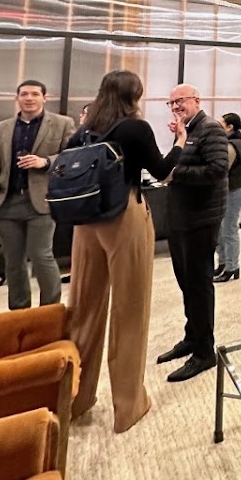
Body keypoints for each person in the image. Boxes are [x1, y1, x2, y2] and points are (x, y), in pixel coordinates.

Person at [66, 70, 186, 433]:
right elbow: (163, 171)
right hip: (123, 217)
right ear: (134, 96)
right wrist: (180, 140)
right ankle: (128, 405)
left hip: (85, 222)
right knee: (130, 310)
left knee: (83, 309)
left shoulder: (83, 130)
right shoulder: (135, 129)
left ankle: (76, 398)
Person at [156, 84, 229, 382]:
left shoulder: (210, 129)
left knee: (199, 284)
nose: (175, 106)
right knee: (185, 280)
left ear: (197, 101)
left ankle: (204, 352)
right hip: (181, 217)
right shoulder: (184, 130)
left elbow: (217, 170)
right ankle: (192, 335)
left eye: (180, 101)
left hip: (202, 218)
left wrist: (176, 174)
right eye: (171, 102)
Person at [0, 80, 76, 310]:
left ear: (45, 97)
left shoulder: (62, 124)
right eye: (24, 94)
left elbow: (72, 158)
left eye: (35, 94)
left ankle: (50, 311)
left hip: (42, 202)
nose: (29, 98)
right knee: (13, 263)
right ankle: (19, 314)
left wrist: (45, 162)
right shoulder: (1, 128)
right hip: (6, 203)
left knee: (41, 256)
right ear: (17, 98)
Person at [214, 112, 241, 283]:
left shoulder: (231, 146)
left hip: (235, 192)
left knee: (229, 230)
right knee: (221, 229)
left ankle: (232, 267)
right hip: (232, 191)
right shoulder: (235, 142)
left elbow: (221, 171)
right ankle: (223, 263)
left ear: (230, 128)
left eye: (221, 124)